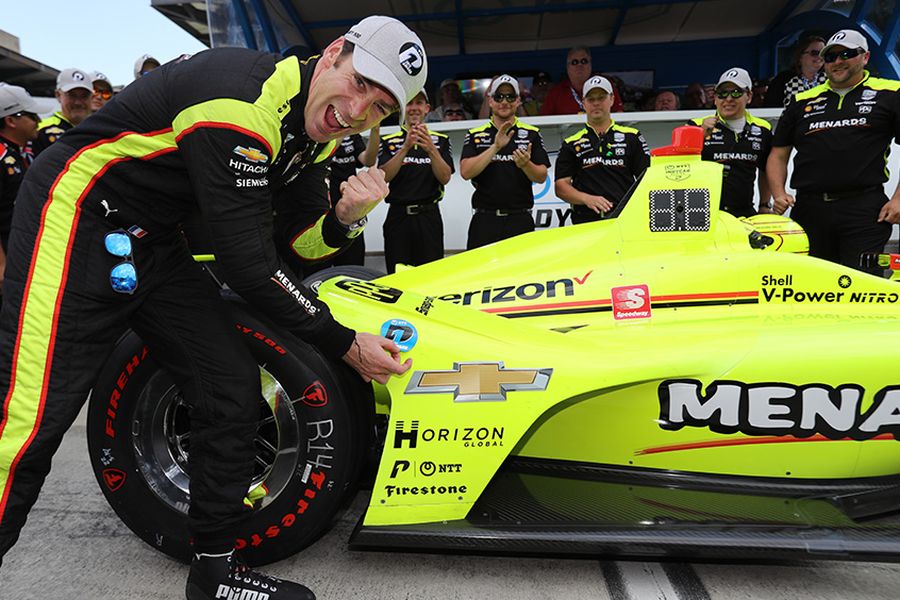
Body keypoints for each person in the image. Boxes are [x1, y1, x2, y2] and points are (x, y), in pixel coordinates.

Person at [0, 14, 424, 600]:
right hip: (77, 214)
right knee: (27, 421)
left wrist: (344, 219)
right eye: (359, 84)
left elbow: (299, 244)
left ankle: (214, 576)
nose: (357, 111)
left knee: (229, 389)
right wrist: (347, 345)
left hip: (153, 240)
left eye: (379, 107)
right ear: (332, 54)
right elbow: (250, 266)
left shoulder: (313, 136)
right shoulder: (243, 99)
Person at [767, 29, 900, 275]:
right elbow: (778, 153)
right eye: (831, 57)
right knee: (811, 288)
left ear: (866, 57)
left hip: (864, 210)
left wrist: (899, 199)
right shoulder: (801, 100)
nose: (838, 62)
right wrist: (778, 193)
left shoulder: (891, 93)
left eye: (847, 54)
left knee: (861, 287)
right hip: (809, 210)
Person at [460, 74, 550, 249]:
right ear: (491, 101)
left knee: (523, 275)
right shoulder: (474, 134)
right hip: (484, 220)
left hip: (520, 220)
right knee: (482, 275)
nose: (504, 101)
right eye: (499, 96)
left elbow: (541, 176)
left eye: (510, 96)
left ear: (517, 101)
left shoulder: (532, 133)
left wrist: (526, 165)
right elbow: (466, 172)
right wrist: (495, 147)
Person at [555, 76, 650, 225]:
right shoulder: (571, 143)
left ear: (611, 99)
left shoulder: (632, 137)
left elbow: (646, 179)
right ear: (583, 103)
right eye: (591, 99)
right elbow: (561, 187)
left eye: (601, 97)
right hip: (585, 221)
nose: (596, 103)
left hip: (624, 220)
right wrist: (587, 199)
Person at [378, 90, 454, 273]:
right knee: (397, 276)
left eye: (419, 103)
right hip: (398, 217)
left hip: (429, 217)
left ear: (427, 108)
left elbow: (445, 177)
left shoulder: (441, 141)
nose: (413, 108)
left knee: (431, 275)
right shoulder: (388, 141)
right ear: (402, 108)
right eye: (409, 103)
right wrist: (405, 148)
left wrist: (431, 150)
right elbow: (383, 177)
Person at [688, 67, 773, 218]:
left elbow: (767, 169)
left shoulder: (763, 129)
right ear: (715, 98)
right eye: (722, 93)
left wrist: (765, 205)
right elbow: (678, 168)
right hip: (703, 215)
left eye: (736, 92)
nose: (728, 99)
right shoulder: (695, 125)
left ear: (749, 96)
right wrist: (700, 136)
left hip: (744, 213)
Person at [0, 84, 39, 280]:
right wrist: (1, 264)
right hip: (7, 260)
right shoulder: (2, 155)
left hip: (22, 252)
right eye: (32, 116)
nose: (38, 121)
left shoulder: (23, 152)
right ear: (10, 120)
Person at [541, 46, 624, 115]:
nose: (579, 65)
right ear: (567, 67)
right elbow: (542, 121)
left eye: (584, 61)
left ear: (590, 64)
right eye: (574, 62)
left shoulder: (604, 84)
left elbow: (619, 113)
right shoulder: (556, 92)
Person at [32, 68, 92, 157]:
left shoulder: (99, 129)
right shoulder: (40, 130)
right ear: (58, 95)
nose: (78, 102)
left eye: (84, 96)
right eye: (72, 95)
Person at [764, 34, 826, 108]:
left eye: (823, 53)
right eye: (815, 53)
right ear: (800, 56)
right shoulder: (783, 80)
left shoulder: (831, 79)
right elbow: (771, 109)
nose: (819, 57)